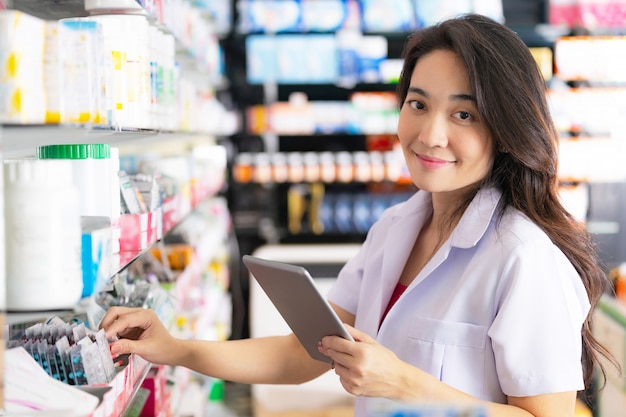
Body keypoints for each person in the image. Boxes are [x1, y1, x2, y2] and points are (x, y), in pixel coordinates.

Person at [100, 13, 615, 417]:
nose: (431, 134)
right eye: (418, 104)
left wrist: (402, 383)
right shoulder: (396, 228)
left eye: (464, 114)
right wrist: (176, 348)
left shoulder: (524, 260)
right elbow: (306, 354)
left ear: (504, 129)